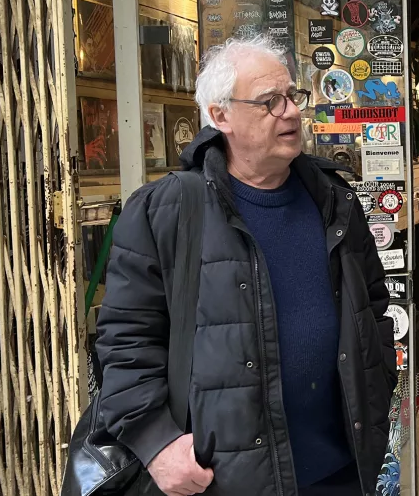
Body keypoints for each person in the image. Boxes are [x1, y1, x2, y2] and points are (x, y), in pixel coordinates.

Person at [95, 35, 397, 496]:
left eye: (292, 96)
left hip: (342, 471)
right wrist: (156, 444)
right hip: (223, 481)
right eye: (270, 101)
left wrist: (376, 389)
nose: (291, 112)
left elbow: (371, 309)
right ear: (220, 116)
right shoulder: (168, 211)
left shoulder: (334, 200)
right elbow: (126, 341)